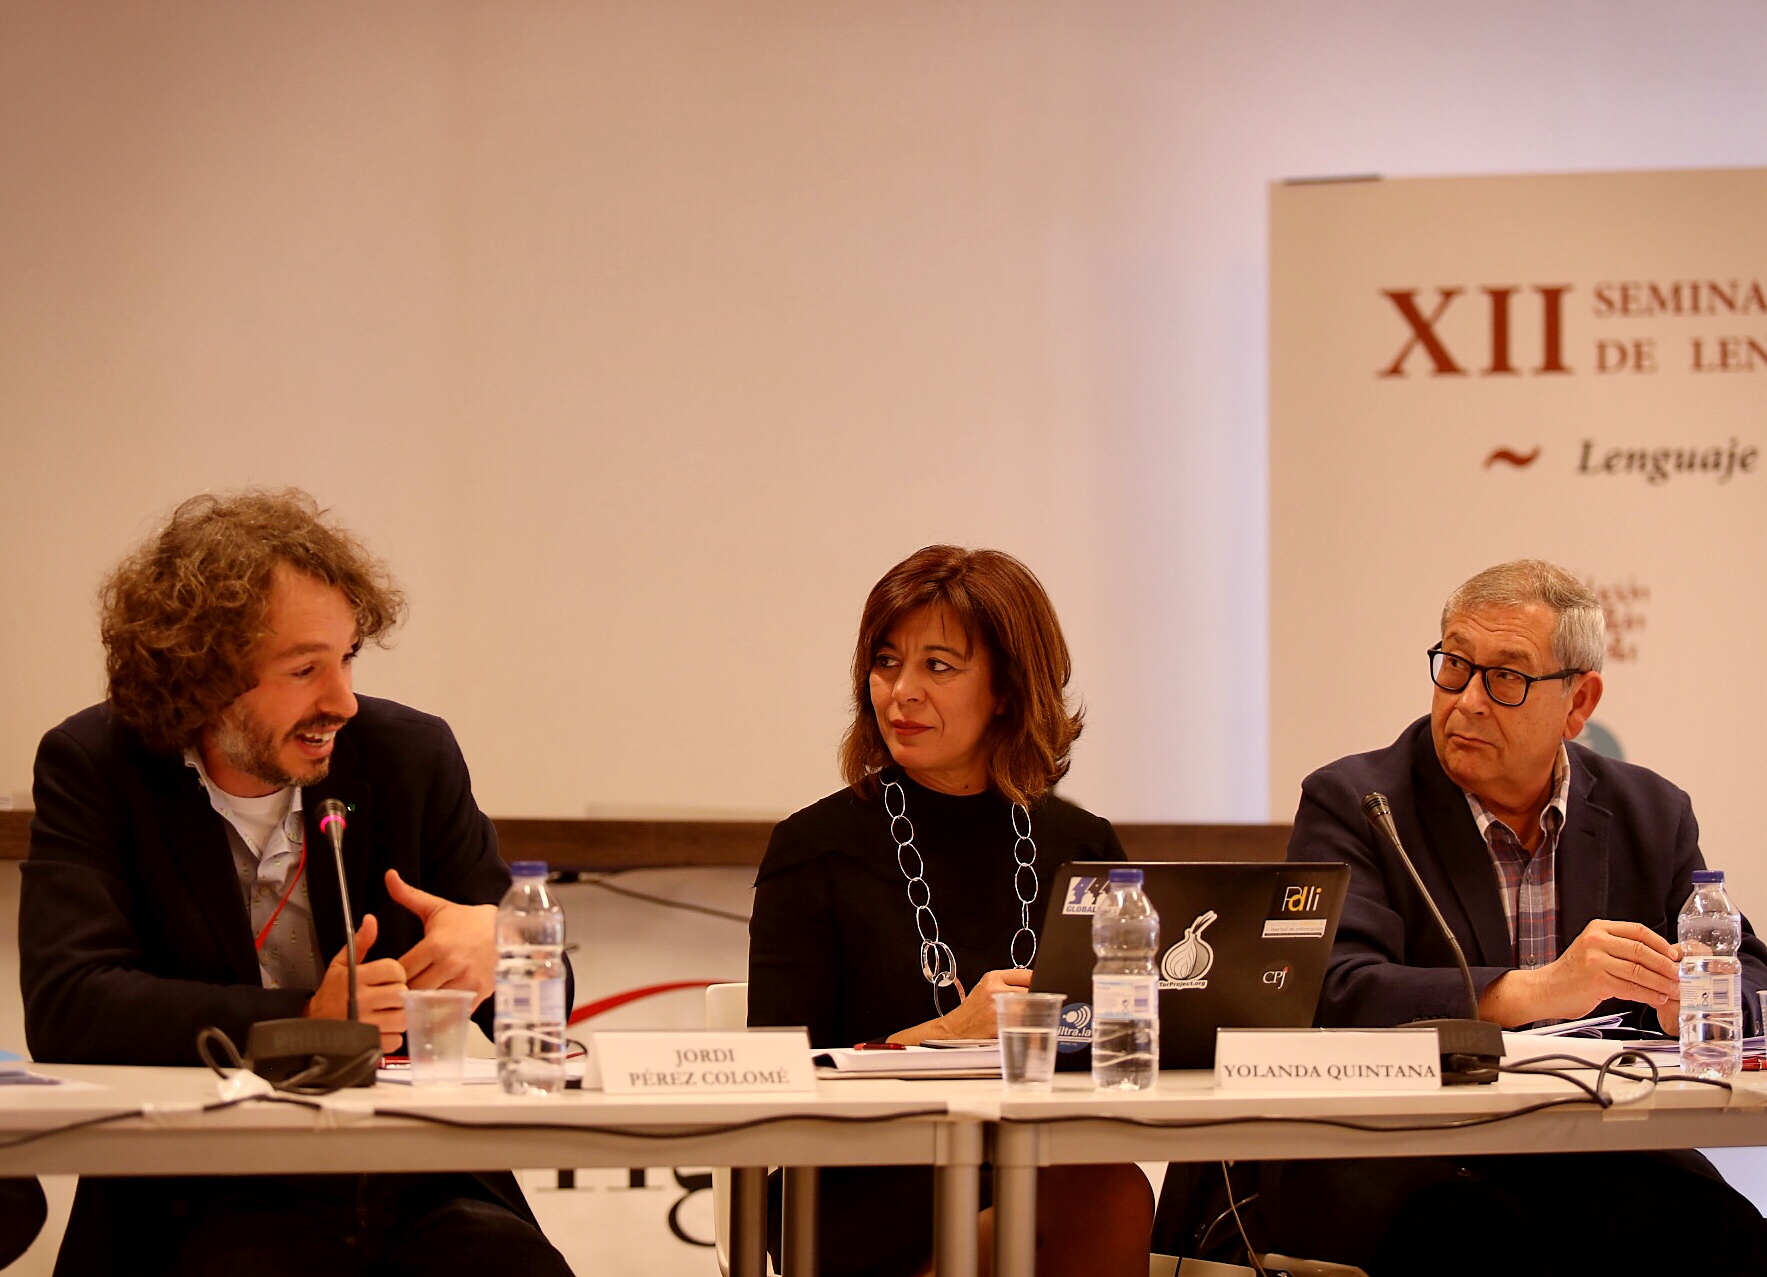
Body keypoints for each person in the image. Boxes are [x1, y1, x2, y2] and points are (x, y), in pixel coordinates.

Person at [21, 489, 574, 1277]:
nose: (341, 701)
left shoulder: (409, 755)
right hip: (200, 1187)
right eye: (305, 668)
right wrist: (307, 1018)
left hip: (417, 1177)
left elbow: (548, 998)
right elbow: (71, 1006)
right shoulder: (98, 765)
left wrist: (501, 950)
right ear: (200, 674)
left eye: (348, 658)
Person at [1259, 559, 1767, 1275]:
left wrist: (1697, 998)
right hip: (1393, 1145)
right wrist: (1530, 990)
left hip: (1590, 1144)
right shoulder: (1359, 802)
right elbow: (1331, 988)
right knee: (1483, 1245)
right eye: (1454, 665)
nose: (1467, 700)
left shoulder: (1649, 813)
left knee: (1725, 1239)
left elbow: (1748, 973)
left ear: (1578, 701)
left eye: (1505, 676)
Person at [748, 545, 1153, 1277]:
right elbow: (774, 1077)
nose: (900, 692)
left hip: (1033, 1157)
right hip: (862, 1175)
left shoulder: (1082, 845)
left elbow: (1125, 1035)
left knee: (1099, 1184)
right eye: (885, 662)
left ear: (1006, 689)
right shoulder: (814, 848)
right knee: (1098, 1196)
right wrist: (948, 1034)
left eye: (937, 666)